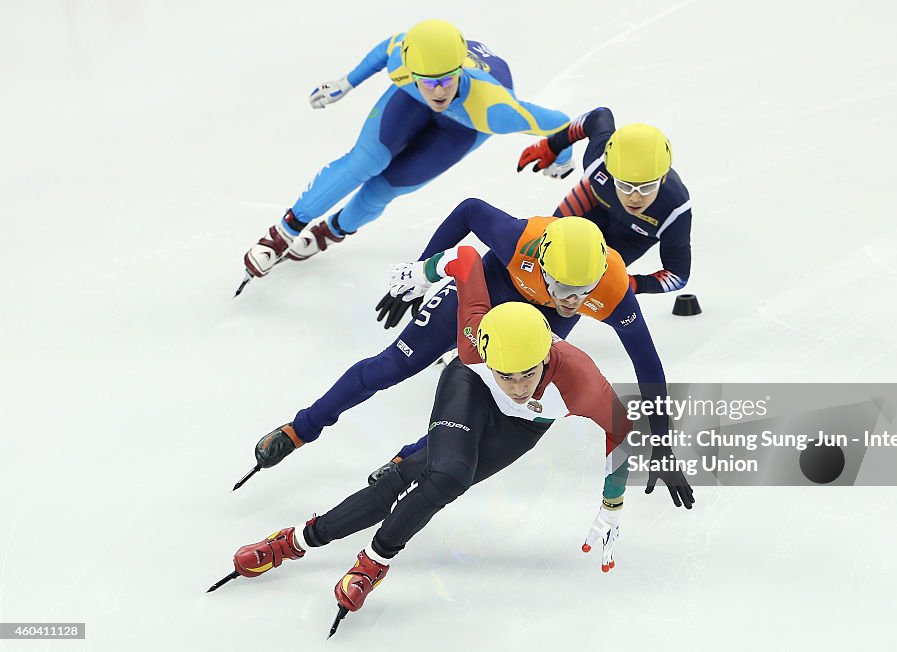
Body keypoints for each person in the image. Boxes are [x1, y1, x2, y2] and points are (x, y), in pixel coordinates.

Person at [217, 247, 693, 624]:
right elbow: (465, 260)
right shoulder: (472, 335)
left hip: (521, 426)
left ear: (548, 356)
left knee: (411, 479)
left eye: (528, 374)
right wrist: (421, 273)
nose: (517, 384)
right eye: (506, 374)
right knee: (447, 477)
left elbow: (622, 435)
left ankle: (336, 544)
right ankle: (314, 549)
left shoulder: (581, 381)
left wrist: (612, 507)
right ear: (484, 347)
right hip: (467, 384)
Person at [248, 206, 690, 506]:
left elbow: (648, 366)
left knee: (504, 402)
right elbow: (470, 209)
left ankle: (410, 459)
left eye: (582, 293)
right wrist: (420, 273)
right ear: (542, 265)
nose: (571, 300)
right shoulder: (521, 239)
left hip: (539, 328)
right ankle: (300, 428)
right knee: (391, 366)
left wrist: (663, 441)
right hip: (484, 294)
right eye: (562, 288)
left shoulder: (614, 292)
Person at [239, 19, 574, 289]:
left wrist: (560, 155)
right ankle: (283, 233)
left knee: (384, 188)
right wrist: (345, 83)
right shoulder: (404, 64)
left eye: (447, 80)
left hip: (466, 122)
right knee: (366, 160)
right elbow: (390, 46)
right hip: (413, 101)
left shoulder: (495, 110)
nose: (439, 91)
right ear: (412, 73)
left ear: (460, 71)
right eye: (428, 82)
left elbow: (561, 123)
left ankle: (331, 231)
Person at [517, 109, 692, 295]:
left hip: (632, 237)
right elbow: (599, 115)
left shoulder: (675, 210)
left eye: (646, 187)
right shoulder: (597, 159)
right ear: (610, 172)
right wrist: (553, 145)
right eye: (624, 185)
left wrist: (633, 284)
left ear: (663, 178)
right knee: (547, 251)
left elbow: (677, 275)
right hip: (593, 202)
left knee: (581, 279)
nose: (634, 198)